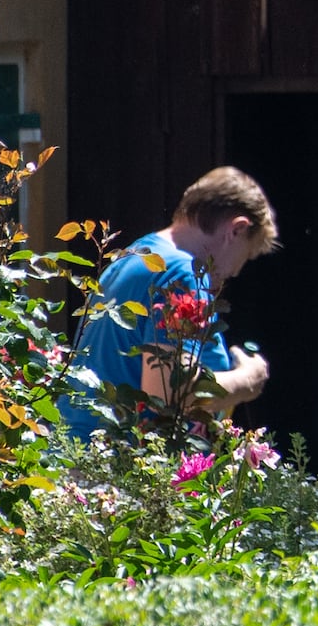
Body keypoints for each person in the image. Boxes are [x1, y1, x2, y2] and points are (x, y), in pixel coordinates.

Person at [63, 165, 279, 441]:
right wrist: (248, 380)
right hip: (112, 467)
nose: (235, 273)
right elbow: (170, 392)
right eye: (245, 256)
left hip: (83, 454)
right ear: (236, 230)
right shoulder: (181, 274)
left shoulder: (138, 254)